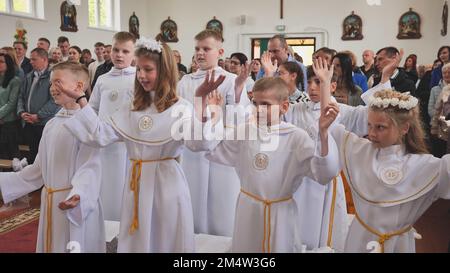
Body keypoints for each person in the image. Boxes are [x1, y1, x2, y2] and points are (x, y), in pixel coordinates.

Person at [60, 37, 217, 253]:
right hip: (136, 183)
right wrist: (80, 99)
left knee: (166, 237)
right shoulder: (131, 107)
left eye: (148, 69)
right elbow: (100, 135)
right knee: (137, 236)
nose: (141, 75)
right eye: (139, 69)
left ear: (164, 72)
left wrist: (200, 102)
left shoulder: (181, 107)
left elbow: (199, 144)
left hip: (167, 183)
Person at [317, 57, 450, 253]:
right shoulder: (359, 149)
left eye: (380, 127)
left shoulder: (423, 164)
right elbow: (331, 119)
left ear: (405, 128)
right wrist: (325, 84)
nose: (371, 133)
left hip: (398, 243)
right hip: (359, 238)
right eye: (369, 126)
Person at [203, 77, 340, 252]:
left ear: (284, 107)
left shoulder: (296, 137)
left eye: (266, 104)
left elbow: (323, 174)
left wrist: (323, 133)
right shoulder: (245, 131)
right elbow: (212, 149)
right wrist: (213, 116)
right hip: (249, 208)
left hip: (281, 211)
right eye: (255, 103)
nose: (258, 109)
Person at [0, 62, 105, 253]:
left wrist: (78, 194)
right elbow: (38, 169)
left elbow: (91, 167)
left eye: (58, 82)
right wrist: (4, 184)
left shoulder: (89, 124)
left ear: (79, 87)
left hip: (74, 203)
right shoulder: (52, 124)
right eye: (50, 83)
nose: (52, 88)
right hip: (51, 202)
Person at [177, 29, 250, 237]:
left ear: (220, 52)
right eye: (197, 49)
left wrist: (237, 91)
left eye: (206, 49)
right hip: (191, 151)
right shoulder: (185, 81)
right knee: (192, 202)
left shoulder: (230, 79)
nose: (200, 53)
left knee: (221, 206)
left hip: (221, 152)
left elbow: (239, 118)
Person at [87, 32, 136, 222]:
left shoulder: (139, 79)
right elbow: (92, 108)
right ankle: (106, 226)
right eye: (116, 50)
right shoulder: (102, 79)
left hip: (129, 146)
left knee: (127, 188)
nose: (119, 55)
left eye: (125, 51)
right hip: (105, 145)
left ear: (134, 54)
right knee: (107, 187)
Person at [17, 48, 60, 164]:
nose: (30, 61)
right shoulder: (29, 75)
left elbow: (55, 100)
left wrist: (39, 116)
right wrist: (22, 112)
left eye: (34, 59)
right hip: (29, 122)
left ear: (44, 59)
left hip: (44, 123)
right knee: (31, 154)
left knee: (43, 156)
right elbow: (21, 96)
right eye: (30, 59)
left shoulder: (53, 77)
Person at [0, 53, 21, 159]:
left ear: (8, 64)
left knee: (9, 155)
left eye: (1, 62)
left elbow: (11, 103)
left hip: (8, 122)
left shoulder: (15, 80)